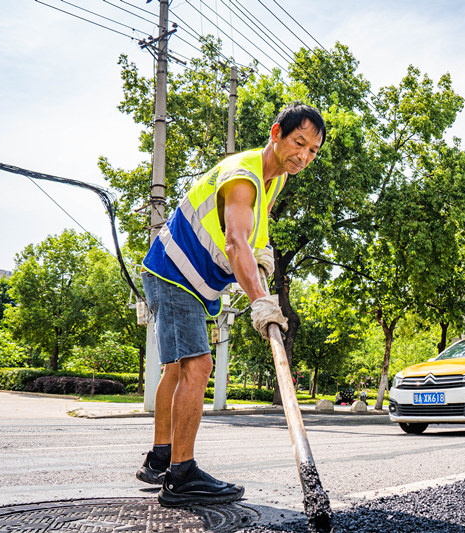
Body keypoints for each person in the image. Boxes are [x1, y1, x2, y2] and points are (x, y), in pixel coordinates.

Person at [135, 102, 326, 507]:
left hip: (192, 280)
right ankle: (181, 476)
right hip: (174, 271)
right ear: (276, 133)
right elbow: (235, 241)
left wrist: (262, 252)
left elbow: (253, 233)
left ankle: (160, 458)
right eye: (299, 143)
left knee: (178, 366)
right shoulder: (242, 177)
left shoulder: (274, 180)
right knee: (198, 365)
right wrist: (260, 301)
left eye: (313, 151)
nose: (304, 156)